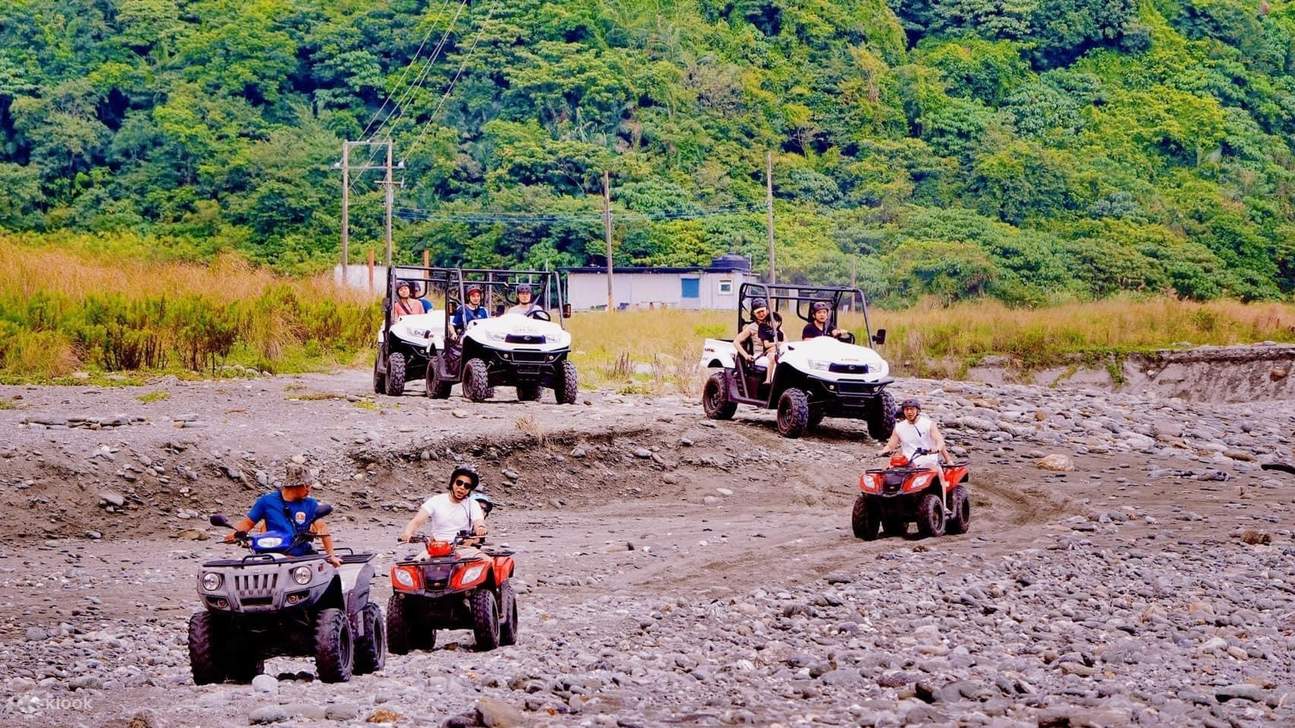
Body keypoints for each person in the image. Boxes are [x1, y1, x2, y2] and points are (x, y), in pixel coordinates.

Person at [226, 464, 341, 566]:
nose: (310, 488)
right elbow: (248, 523)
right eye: (307, 485)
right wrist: (235, 534)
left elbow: (321, 527)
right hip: (270, 556)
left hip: (301, 558)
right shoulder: (266, 501)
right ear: (297, 485)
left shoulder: (310, 504)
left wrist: (331, 555)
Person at [397, 465, 488, 560]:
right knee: (410, 569)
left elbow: (478, 521)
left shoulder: (472, 504)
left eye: (467, 486)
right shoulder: (436, 500)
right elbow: (417, 521)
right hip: (435, 549)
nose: (461, 487)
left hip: (462, 548)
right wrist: (407, 533)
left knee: (486, 562)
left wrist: (480, 528)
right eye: (459, 483)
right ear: (453, 482)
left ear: (469, 490)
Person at [878, 398, 955, 487]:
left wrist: (937, 448)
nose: (909, 412)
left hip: (928, 460)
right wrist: (882, 451)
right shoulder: (899, 427)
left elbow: (939, 440)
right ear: (903, 411)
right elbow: (890, 445)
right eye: (907, 409)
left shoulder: (928, 424)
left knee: (934, 485)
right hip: (906, 462)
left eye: (912, 409)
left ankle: (939, 499)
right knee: (885, 476)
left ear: (917, 410)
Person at [733, 300, 783, 384]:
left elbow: (785, 341)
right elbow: (736, 342)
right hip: (760, 355)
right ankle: (770, 383)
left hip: (776, 352)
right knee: (774, 361)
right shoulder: (751, 327)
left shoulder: (773, 324)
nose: (761, 314)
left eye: (762, 311)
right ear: (754, 314)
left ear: (767, 311)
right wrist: (746, 356)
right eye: (758, 312)